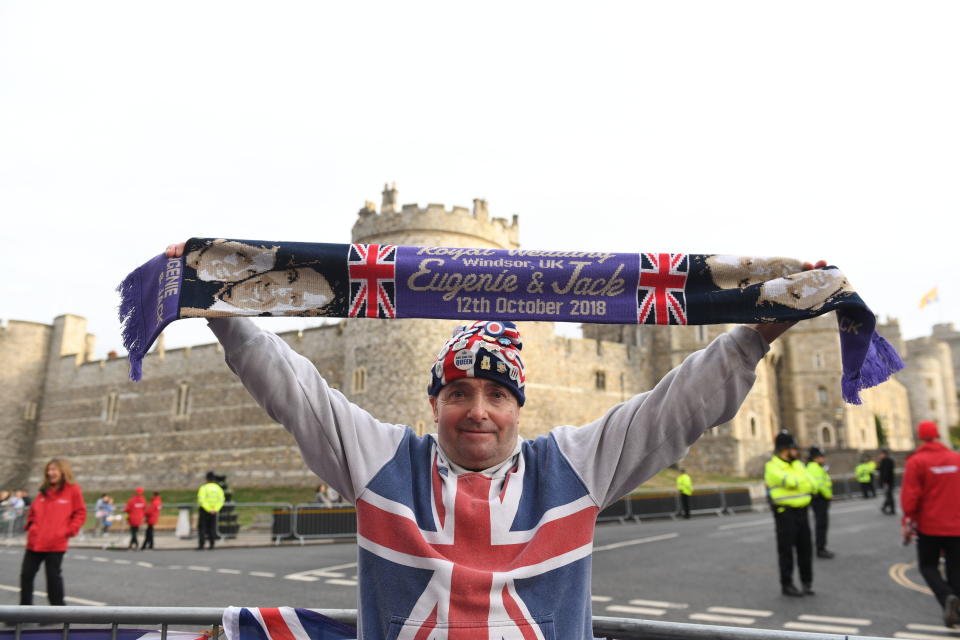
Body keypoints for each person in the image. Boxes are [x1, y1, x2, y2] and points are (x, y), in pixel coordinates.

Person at [164, 242, 823, 639]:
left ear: (518, 407)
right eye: (458, 393)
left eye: (497, 394)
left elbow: (677, 406)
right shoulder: (381, 461)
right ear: (435, 403)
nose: (477, 411)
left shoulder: (573, 465)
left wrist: (757, 332)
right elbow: (292, 388)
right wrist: (220, 309)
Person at [900, 421, 960, 628]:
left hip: (929, 526)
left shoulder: (916, 462)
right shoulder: (956, 459)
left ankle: (947, 599)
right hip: (956, 526)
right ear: (938, 435)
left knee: (927, 566)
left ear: (920, 436)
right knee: (955, 569)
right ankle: (956, 609)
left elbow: (910, 498)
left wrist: (907, 522)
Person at [18, 458, 86, 606]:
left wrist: (68, 531)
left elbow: (80, 513)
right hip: (35, 542)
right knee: (26, 576)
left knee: (53, 577)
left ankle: (58, 612)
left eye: (54, 470)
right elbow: (33, 512)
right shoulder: (43, 491)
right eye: (48, 470)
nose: (50, 473)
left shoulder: (73, 490)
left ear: (63, 471)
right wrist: (31, 526)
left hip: (56, 543)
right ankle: (24, 612)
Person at [765, 431, 815, 596]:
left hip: (802, 511)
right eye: (794, 448)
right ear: (784, 449)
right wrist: (802, 482)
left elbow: (812, 485)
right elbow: (792, 482)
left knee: (805, 549)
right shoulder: (772, 466)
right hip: (784, 513)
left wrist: (800, 483)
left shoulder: (798, 464)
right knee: (786, 551)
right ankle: (787, 584)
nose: (797, 452)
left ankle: (807, 583)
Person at [806, 446, 835, 559]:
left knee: (821, 524)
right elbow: (820, 485)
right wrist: (828, 495)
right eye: (821, 457)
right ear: (815, 458)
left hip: (820, 498)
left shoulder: (816, 467)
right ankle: (821, 548)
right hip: (820, 498)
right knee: (821, 524)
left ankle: (820, 546)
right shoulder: (814, 468)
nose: (823, 459)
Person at [197, 472, 225, 550]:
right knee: (212, 527)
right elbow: (221, 500)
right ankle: (212, 544)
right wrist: (215, 509)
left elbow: (201, 500)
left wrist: (208, 509)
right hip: (214, 511)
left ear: (206, 479)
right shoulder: (218, 488)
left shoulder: (204, 488)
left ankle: (201, 544)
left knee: (202, 528)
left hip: (204, 510)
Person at [878, 449, 897, 515]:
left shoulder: (886, 461)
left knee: (889, 495)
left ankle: (889, 508)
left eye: (881, 454)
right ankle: (887, 507)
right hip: (888, 481)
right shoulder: (885, 461)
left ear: (885, 454)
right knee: (888, 495)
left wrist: (884, 482)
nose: (880, 455)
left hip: (887, 482)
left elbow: (886, 472)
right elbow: (880, 470)